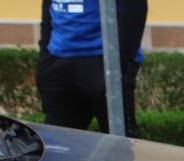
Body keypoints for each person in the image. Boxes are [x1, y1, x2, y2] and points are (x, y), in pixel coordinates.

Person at [37, 0, 147, 136]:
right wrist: (45, 57)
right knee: (58, 147)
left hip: (105, 62)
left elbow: (135, 10)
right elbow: (47, 7)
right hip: (58, 62)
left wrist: (118, 66)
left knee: (119, 148)